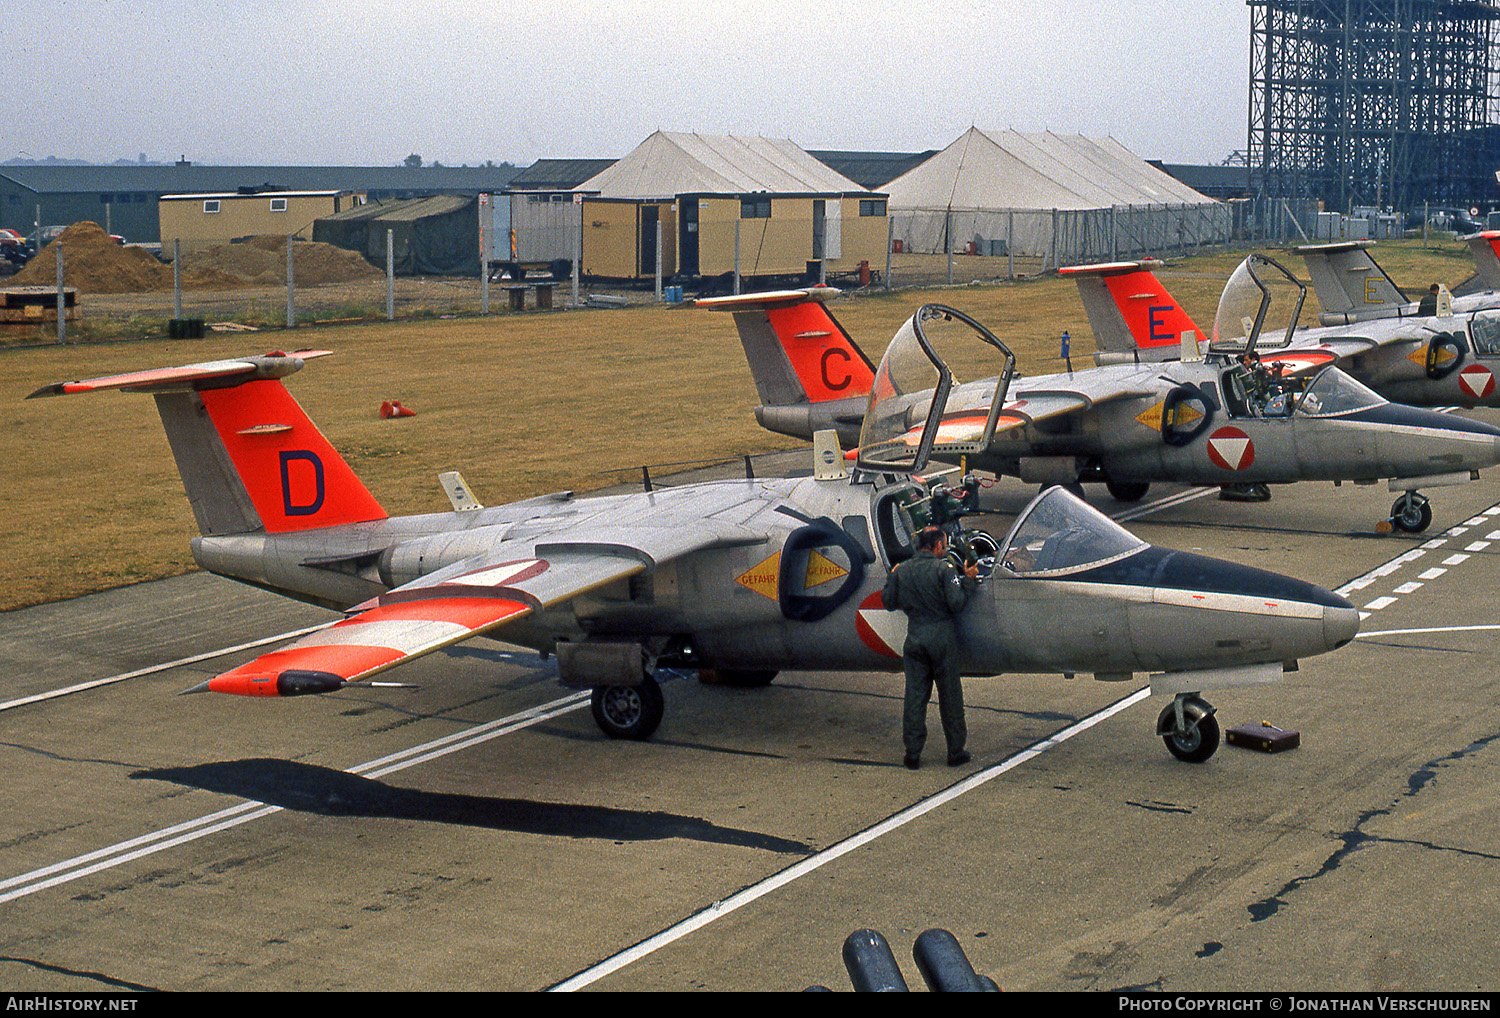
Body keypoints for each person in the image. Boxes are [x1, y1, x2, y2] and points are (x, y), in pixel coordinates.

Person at [882, 526, 980, 769]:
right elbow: (956, 603)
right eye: (944, 545)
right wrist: (968, 581)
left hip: (915, 638)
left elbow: (889, 602)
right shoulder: (943, 570)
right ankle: (955, 751)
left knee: (915, 698)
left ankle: (912, 753)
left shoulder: (902, 570)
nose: (945, 549)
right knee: (950, 697)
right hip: (941, 639)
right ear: (937, 546)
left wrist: (892, 577)